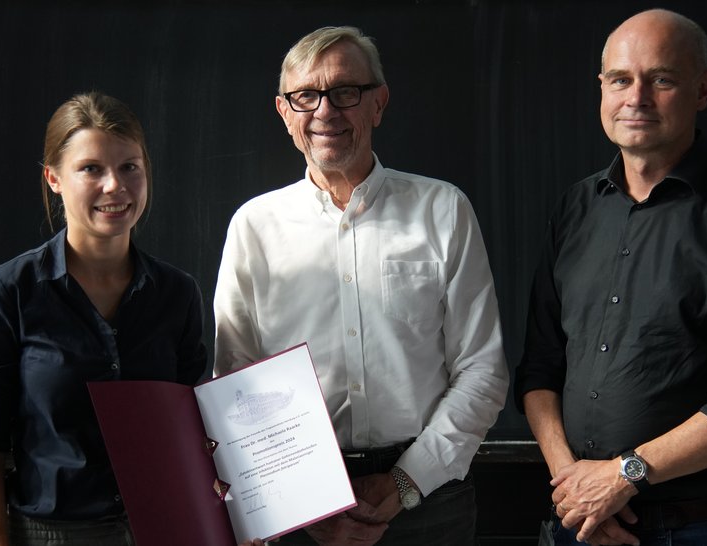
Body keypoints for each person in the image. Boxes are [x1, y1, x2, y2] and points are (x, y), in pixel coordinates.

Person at [514, 8, 707, 546]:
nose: (637, 98)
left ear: (703, 89)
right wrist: (577, 489)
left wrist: (622, 475)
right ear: (601, 88)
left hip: (701, 528)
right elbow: (540, 365)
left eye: (662, 79)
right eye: (621, 80)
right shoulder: (575, 208)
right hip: (577, 522)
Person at [213, 26, 508, 546]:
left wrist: (403, 482)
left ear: (379, 103)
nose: (325, 111)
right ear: (284, 113)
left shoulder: (443, 210)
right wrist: (302, 503)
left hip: (429, 503)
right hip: (302, 510)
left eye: (346, 91)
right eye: (306, 96)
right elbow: (234, 382)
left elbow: (482, 369)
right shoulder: (254, 226)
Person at [0, 92, 241, 546]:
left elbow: (193, 429)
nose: (115, 185)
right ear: (54, 178)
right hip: (52, 533)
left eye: (130, 166)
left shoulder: (177, 293)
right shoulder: (8, 291)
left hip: (167, 529)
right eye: (91, 168)